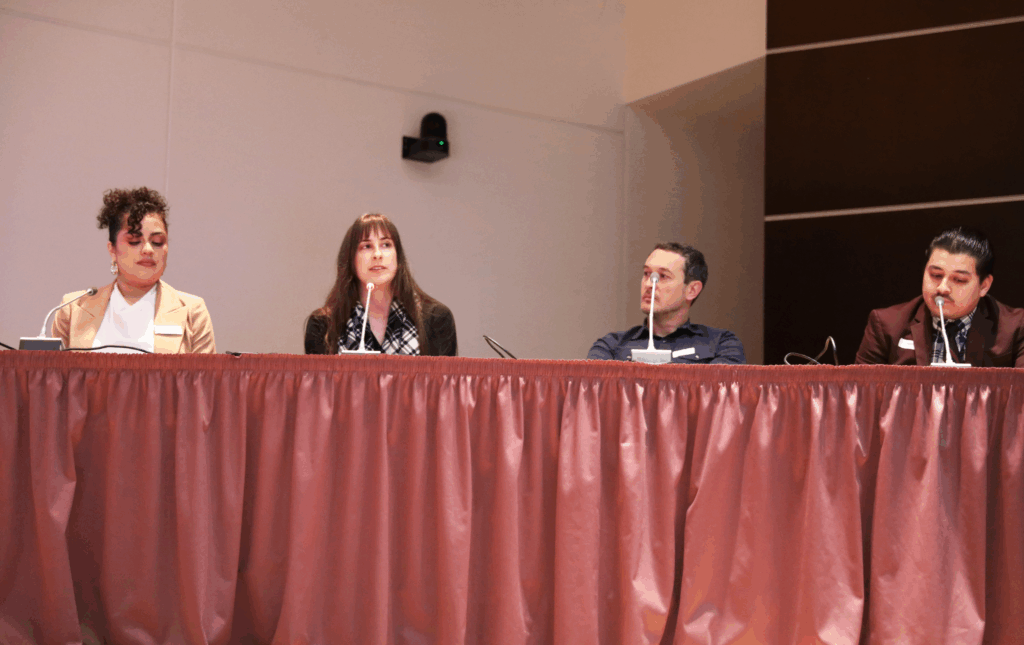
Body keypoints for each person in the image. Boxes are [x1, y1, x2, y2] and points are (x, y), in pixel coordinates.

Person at [51, 187, 216, 353]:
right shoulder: (74, 308)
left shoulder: (192, 311)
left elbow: (205, 371)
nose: (148, 250)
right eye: (134, 241)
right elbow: (51, 369)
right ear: (112, 250)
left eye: (157, 242)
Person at [855, 227, 1024, 367]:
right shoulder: (886, 325)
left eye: (959, 280)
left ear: (984, 286)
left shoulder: (1016, 328)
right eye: (935, 275)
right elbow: (862, 393)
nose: (942, 288)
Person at [305, 213, 457, 356]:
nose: (377, 254)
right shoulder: (323, 324)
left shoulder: (436, 319)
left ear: (398, 257)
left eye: (386, 244)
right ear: (351, 259)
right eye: (366, 246)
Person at [587, 242, 745, 363]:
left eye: (663, 276)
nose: (649, 284)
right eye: (646, 274)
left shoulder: (721, 344)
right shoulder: (611, 346)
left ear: (692, 290)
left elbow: (717, 393)